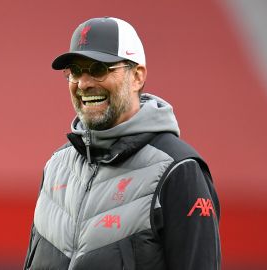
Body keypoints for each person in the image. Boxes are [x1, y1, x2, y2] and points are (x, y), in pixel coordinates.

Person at [23, 17, 221, 270]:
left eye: (99, 69)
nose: (84, 83)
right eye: (75, 71)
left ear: (137, 76)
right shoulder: (55, 167)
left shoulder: (179, 171)